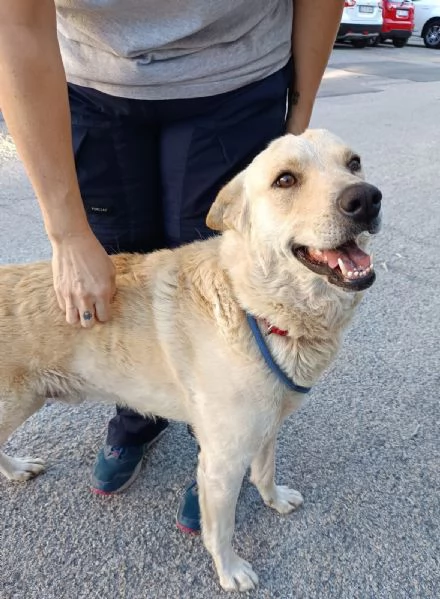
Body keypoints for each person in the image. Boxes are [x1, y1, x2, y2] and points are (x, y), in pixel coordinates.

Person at [0, 0, 344, 533]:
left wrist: (294, 134)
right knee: (117, 287)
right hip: (95, 80)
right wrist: (66, 233)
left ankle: (219, 433)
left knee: (219, 293)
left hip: (237, 75)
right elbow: (14, 25)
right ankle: (138, 414)